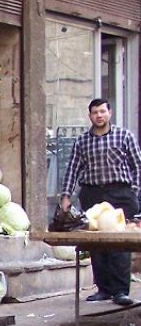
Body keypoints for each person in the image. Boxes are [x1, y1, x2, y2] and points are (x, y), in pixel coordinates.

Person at [60, 98, 141, 306]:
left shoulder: (124, 136)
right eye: (95, 112)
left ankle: (120, 291)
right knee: (96, 243)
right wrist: (66, 196)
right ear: (90, 116)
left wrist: (134, 191)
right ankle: (103, 289)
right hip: (93, 195)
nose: (99, 116)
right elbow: (73, 169)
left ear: (109, 113)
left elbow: (137, 166)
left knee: (119, 243)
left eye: (102, 111)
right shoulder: (82, 141)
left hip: (120, 193)